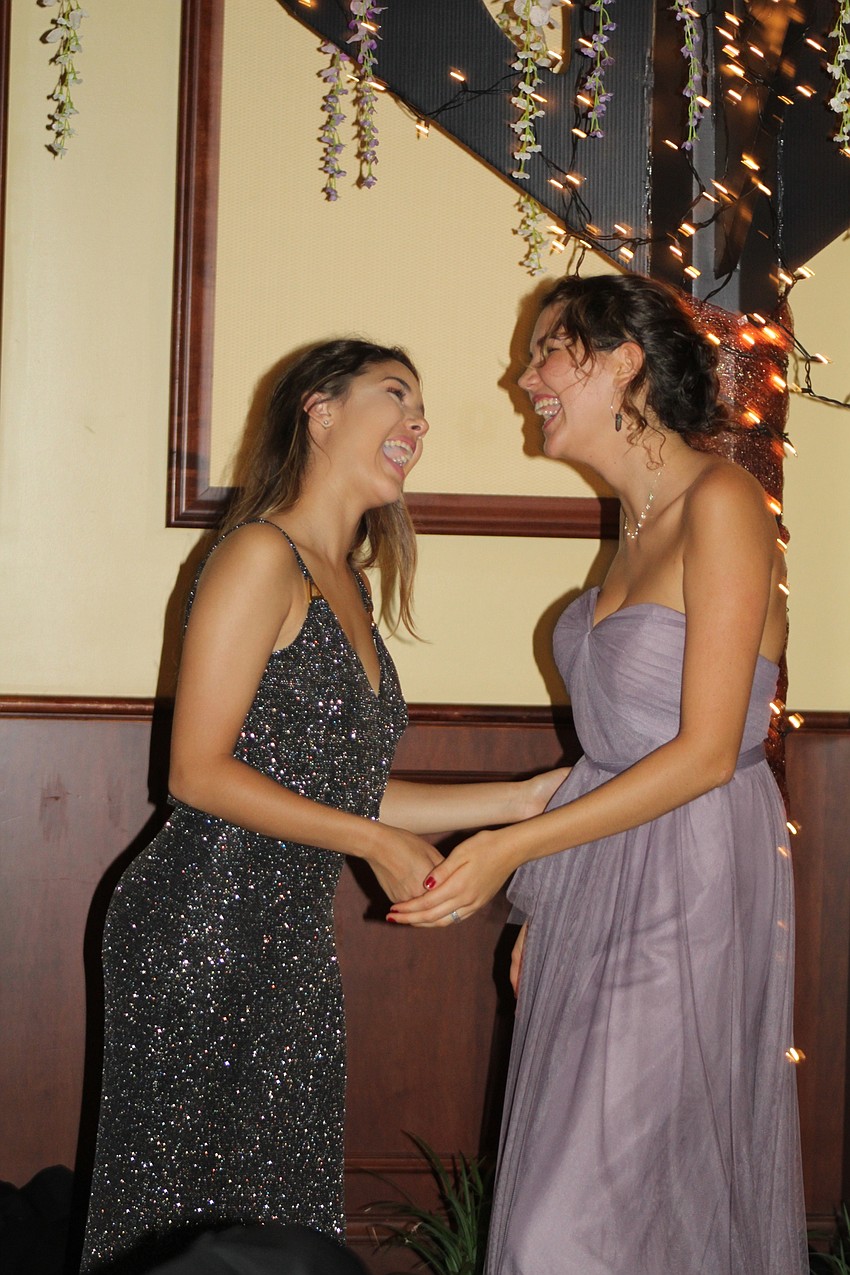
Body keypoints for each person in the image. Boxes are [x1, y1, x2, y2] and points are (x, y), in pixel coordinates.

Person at [79, 339, 565, 1273]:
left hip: (288, 940)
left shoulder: (349, 581)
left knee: (274, 1224)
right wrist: (369, 839)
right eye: (396, 395)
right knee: (183, 1232)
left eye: (421, 407)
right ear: (320, 409)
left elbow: (340, 787)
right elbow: (196, 772)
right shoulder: (262, 553)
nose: (418, 422)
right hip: (198, 927)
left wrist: (522, 796)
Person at [388, 277, 809, 1274]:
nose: (521, 376)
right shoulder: (631, 521)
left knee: (563, 1233)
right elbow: (615, 748)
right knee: (605, 1209)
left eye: (547, 351)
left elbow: (706, 752)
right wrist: (544, 902)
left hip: (691, 878)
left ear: (623, 361)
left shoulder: (724, 500)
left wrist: (510, 851)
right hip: (597, 874)